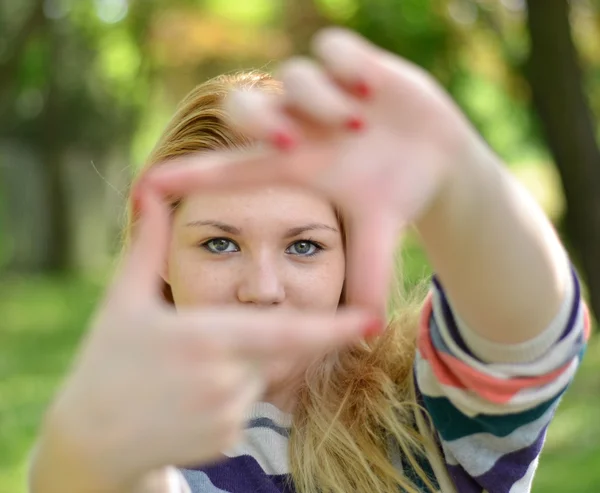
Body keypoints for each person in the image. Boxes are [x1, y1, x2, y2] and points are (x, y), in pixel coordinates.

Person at [28, 28, 589, 493]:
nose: (263, 289)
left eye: (304, 246)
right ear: (161, 257)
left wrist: (459, 177)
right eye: (220, 243)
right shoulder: (145, 446)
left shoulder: (422, 418)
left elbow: (531, 344)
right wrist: (73, 467)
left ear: (352, 256)